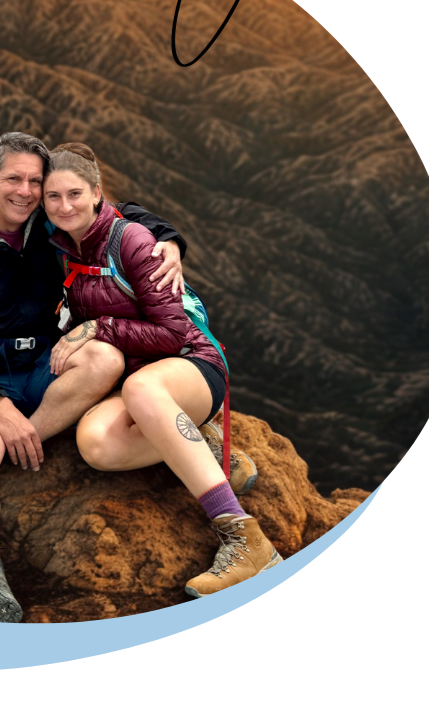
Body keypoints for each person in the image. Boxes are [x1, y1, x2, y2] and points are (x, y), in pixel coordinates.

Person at [0, 131, 188, 622]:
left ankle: (24, 440)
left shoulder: (48, 222)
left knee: (104, 359)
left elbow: (113, 211)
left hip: (44, 361)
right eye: (12, 179)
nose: (25, 191)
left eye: (34, 182)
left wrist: (167, 239)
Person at [43, 145, 282, 598]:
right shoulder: (61, 245)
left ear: (97, 193)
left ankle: (245, 540)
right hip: (139, 379)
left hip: (191, 364)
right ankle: (202, 449)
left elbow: (172, 334)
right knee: (97, 444)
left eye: (74, 193)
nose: (64, 206)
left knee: (142, 389)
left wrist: (99, 326)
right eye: (52, 197)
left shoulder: (130, 239)